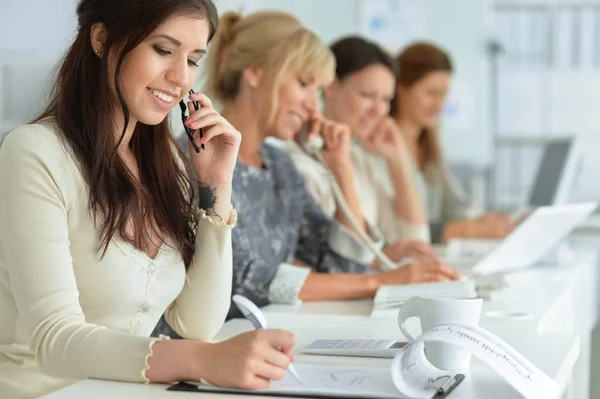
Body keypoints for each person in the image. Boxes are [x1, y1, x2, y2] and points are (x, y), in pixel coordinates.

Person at [0, 1, 298, 397]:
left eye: (193, 59)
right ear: (102, 38)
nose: (180, 78)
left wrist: (216, 185)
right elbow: (55, 340)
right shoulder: (35, 152)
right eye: (163, 50)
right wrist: (203, 360)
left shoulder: (167, 165)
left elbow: (197, 325)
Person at [198, 11, 459, 317]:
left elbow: (345, 264)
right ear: (255, 73)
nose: (312, 104)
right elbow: (243, 280)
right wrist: (380, 280)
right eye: (304, 83)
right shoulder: (200, 159)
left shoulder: (278, 165)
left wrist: (341, 166)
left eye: (317, 90)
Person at [284, 36, 439, 265]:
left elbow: (414, 243)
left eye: (386, 99)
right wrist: (378, 260)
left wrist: (398, 161)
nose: (378, 110)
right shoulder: (294, 160)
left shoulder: (358, 158)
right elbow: (315, 261)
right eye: (367, 96)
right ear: (331, 87)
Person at [391, 42, 515, 242]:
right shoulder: (379, 147)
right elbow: (392, 229)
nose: (440, 105)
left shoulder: (428, 144)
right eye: (431, 93)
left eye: (444, 94)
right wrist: (467, 230)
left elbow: (455, 205)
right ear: (400, 88)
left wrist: (483, 221)